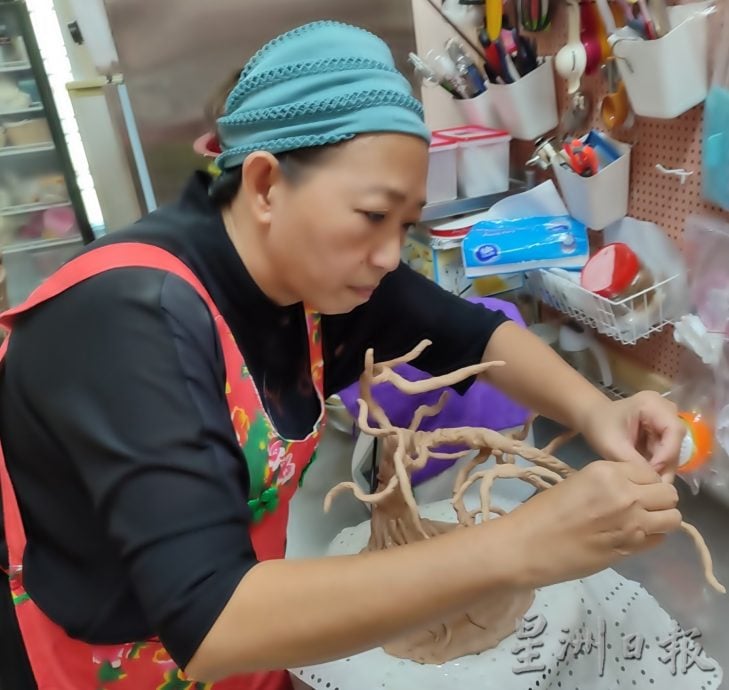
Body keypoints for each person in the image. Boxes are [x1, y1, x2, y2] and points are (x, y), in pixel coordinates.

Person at [0, 20, 684, 690]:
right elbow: (212, 622)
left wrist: (599, 414)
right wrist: (521, 546)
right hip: (112, 656)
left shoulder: (308, 275)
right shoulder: (130, 322)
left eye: (404, 224)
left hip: (248, 622)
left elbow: (468, 332)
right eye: (370, 215)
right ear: (266, 184)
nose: (389, 255)